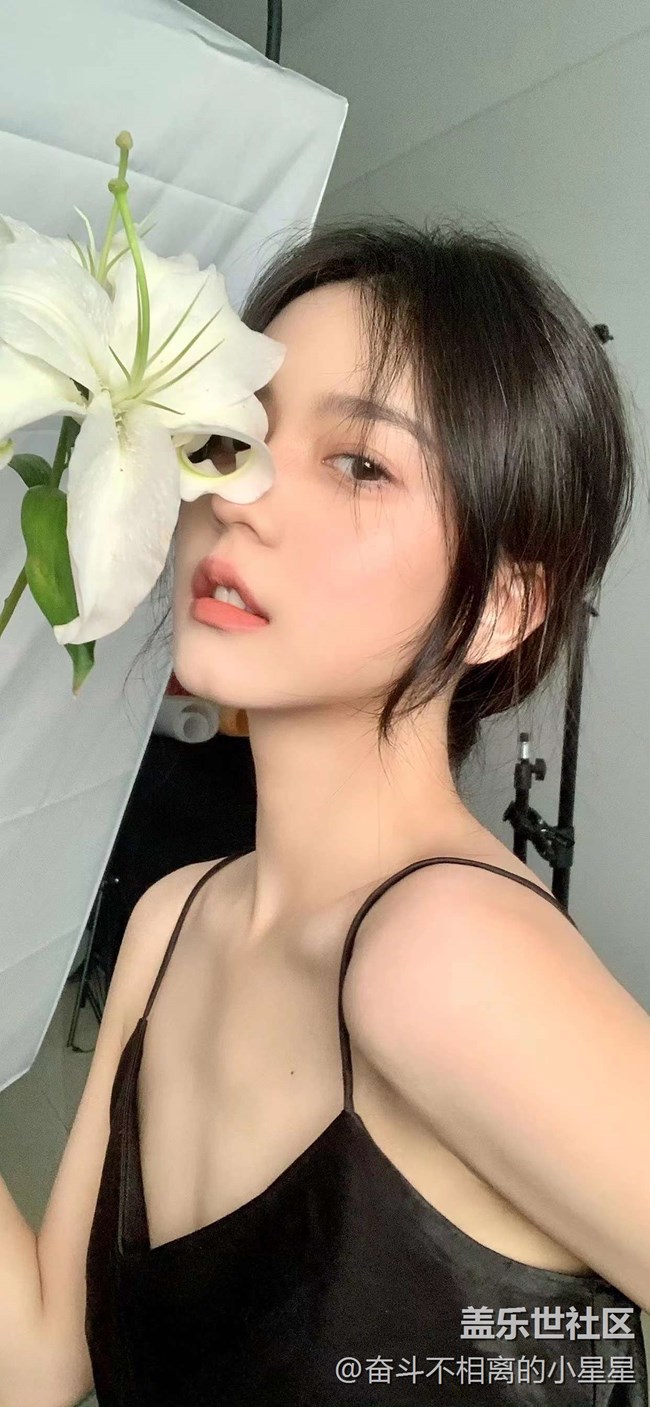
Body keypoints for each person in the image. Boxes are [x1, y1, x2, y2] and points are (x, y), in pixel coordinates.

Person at [2, 218, 649, 1407]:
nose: (238, 498)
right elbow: (42, 1365)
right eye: (226, 439)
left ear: (503, 606)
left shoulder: (444, 958)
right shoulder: (170, 920)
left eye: (357, 464)